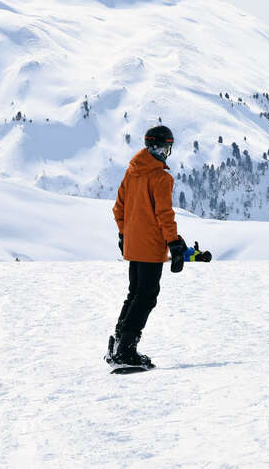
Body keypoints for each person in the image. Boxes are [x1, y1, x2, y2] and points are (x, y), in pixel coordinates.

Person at [107, 124, 186, 368]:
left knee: (135, 295)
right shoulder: (160, 177)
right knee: (147, 296)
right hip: (151, 246)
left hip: (133, 245)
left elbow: (119, 208)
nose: (165, 153)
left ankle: (119, 344)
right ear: (157, 148)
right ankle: (126, 351)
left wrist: (124, 234)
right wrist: (173, 242)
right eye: (164, 148)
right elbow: (164, 214)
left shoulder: (132, 172)